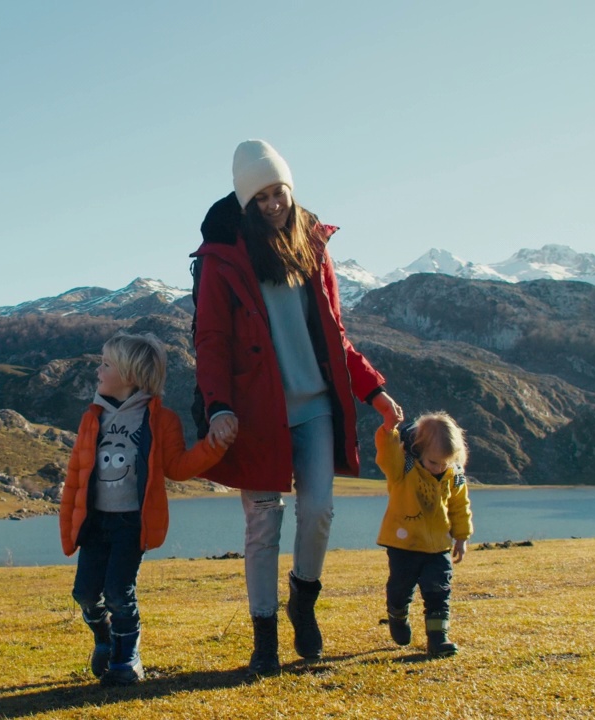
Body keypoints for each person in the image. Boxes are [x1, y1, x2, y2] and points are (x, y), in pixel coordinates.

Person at [191, 139, 403, 674]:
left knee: (320, 510)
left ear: (290, 187)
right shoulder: (222, 257)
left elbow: (335, 334)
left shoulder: (312, 244)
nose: (272, 204)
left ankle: (302, 600)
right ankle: (265, 638)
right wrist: (217, 406)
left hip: (314, 408)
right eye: (259, 197)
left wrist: (373, 390)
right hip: (257, 413)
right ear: (245, 202)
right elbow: (211, 339)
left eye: (277, 191)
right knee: (263, 524)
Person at [59, 332, 230, 685]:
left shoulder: (162, 420)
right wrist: (70, 523)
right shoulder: (91, 418)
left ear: (131, 375)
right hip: (95, 523)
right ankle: (105, 639)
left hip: (131, 525)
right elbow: (76, 475)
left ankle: (127, 660)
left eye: (106, 364)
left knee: (120, 594)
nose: (98, 370)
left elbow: (179, 467)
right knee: (85, 594)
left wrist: (213, 447)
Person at [374, 411, 473, 658]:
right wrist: (388, 430)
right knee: (400, 588)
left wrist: (461, 537)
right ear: (417, 451)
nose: (439, 468)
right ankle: (397, 615)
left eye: (445, 463)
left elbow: (459, 505)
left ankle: (438, 639)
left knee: (439, 590)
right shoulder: (403, 467)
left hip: (438, 546)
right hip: (403, 544)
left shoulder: (454, 473)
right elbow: (386, 455)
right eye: (433, 462)